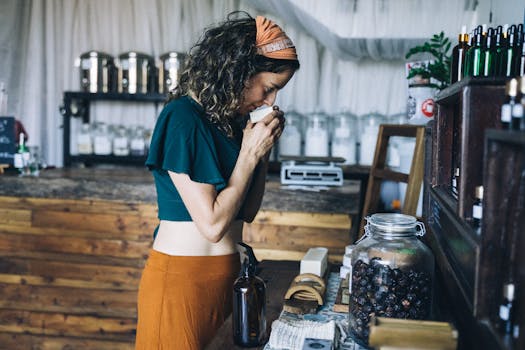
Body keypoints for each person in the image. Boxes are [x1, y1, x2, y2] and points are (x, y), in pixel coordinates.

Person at [135, 11, 300, 350]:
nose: (270, 101)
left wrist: (263, 150)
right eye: (269, 89)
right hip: (182, 280)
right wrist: (249, 155)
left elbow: (247, 211)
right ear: (239, 71)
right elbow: (212, 224)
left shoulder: (229, 123)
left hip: (229, 275)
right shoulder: (182, 117)